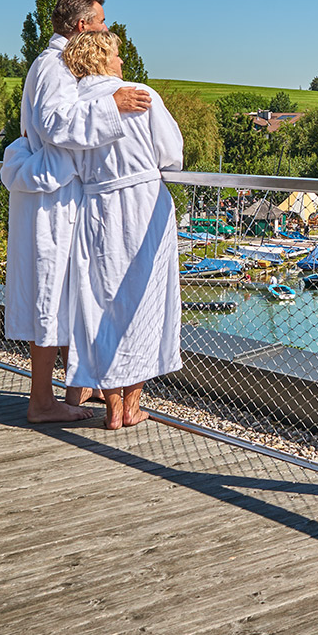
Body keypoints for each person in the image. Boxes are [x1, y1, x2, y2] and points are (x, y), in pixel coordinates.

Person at [1, 0, 150, 424]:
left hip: (61, 195)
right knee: (50, 294)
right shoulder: (52, 65)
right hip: (52, 201)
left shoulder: (57, 65)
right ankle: (43, 402)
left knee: (68, 294)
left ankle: (79, 388)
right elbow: (55, 123)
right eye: (102, 21)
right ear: (82, 26)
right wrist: (112, 105)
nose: (107, 28)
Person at [58, 30, 184, 429]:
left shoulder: (72, 105)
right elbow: (172, 155)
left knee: (102, 306)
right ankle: (131, 407)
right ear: (99, 57)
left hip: (96, 206)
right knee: (145, 305)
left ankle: (111, 406)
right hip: (145, 204)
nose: (122, 62)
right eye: (116, 54)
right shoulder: (139, 94)